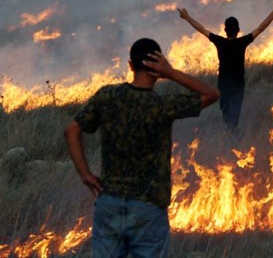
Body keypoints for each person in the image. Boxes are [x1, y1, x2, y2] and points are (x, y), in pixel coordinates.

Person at [64, 38, 219, 257]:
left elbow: (71, 130)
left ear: (130, 65)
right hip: (148, 207)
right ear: (158, 69)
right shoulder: (161, 106)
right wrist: (172, 73)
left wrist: (85, 175)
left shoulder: (107, 96)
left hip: (109, 202)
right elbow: (212, 94)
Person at [177, 1, 273, 130]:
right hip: (238, 86)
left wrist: (187, 17)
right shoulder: (242, 42)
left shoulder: (219, 42)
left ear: (225, 30)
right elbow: (260, 28)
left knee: (226, 115)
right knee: (235, 116)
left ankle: (229, 137)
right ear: (238, 30)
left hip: (223, 86)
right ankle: (232, 137)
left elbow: (201, 29)